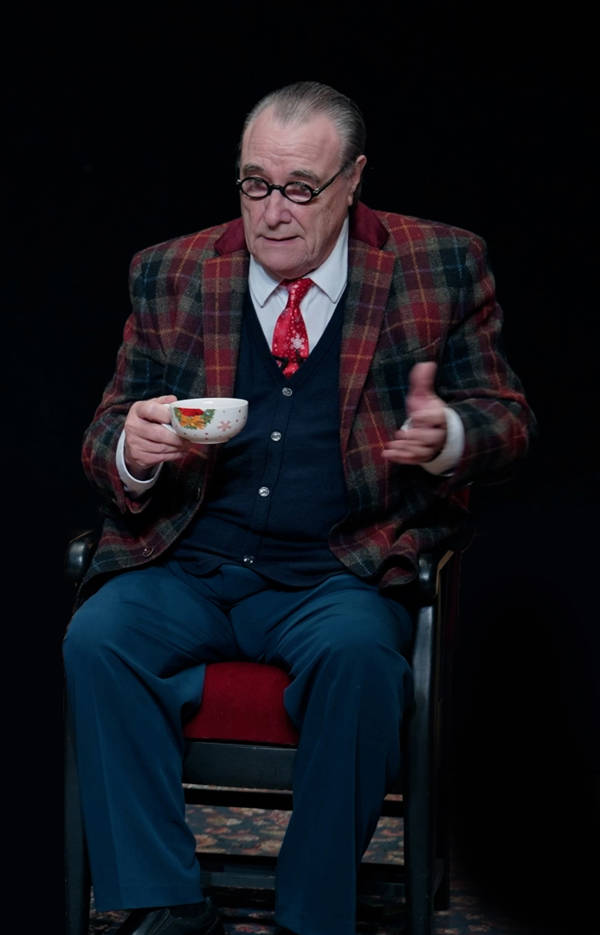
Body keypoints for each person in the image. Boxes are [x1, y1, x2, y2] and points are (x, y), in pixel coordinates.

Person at [63, 81, 535, 935]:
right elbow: (104, 434)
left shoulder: (439, 262)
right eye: (254, 186)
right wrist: (134, 448)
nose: (273, 213)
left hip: (337, 570)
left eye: (300, 189)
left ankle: (313, 915)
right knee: (98, 634)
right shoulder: (171, 271)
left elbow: (510, 424)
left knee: (360, 660)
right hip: (193, 561)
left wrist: (451, 436)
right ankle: (163, 899)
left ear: (353, 180)